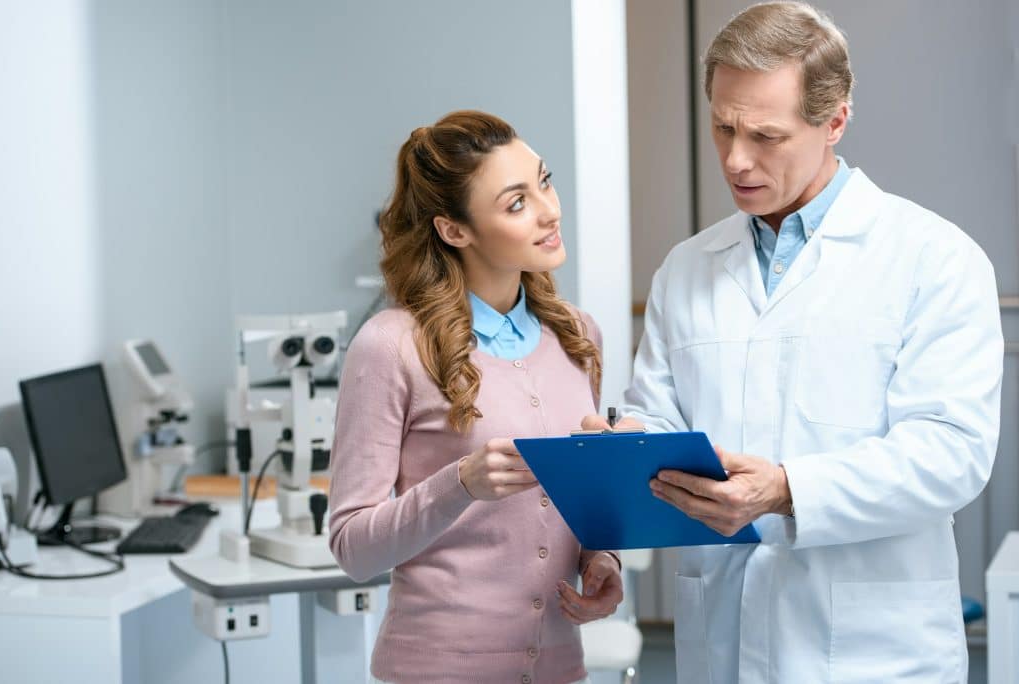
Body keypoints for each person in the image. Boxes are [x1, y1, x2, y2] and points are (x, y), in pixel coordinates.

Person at [584, 3, 1003, 682]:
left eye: (766, 136)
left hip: (872, 652)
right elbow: (660, 416)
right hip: (721, 636)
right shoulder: (687, 267)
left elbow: (949, 453)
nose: (735, 159)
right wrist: (622, 448)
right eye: (722, 127)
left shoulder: (934, 258)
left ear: (835, 120)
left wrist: (787, 490)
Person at [328, 110, 624, 684]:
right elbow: (352, 549)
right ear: (453, 230)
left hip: (561, 669)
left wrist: (601, 560)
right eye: (516, 203)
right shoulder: (390, 347)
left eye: (544, 181)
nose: (548, 210)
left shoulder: (578, 335)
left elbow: (577, 509)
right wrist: (459, 483)